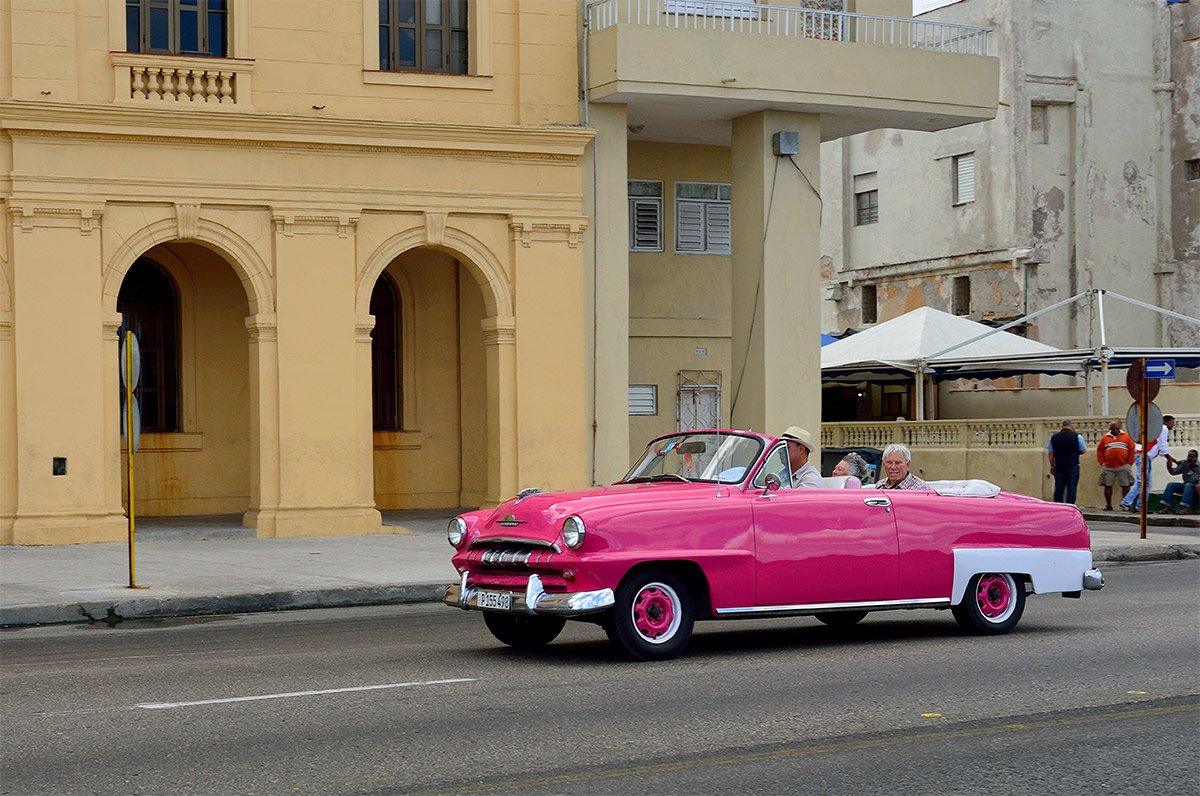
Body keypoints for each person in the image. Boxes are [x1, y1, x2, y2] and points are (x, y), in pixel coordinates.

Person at [1121, 415, 1176, 512]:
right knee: (1141, 482)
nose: (1173, 425)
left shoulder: (1155, 428)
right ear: (1166, 422)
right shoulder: (1163, 428)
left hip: (1144, 456)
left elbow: (1160, 447)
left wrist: (1173, 460)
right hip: (1144, 456)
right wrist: (1169, 460)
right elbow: (1163, 446)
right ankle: (1126, 503)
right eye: (1172, 422)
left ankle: (1140, 506)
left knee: (1147, 484)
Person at [1096, 421, 1136, 511]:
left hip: (1123, 465)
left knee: (1126, 485)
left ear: (1120, 428)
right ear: (1110, 429)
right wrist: (1102, 462)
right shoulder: (1105, 438)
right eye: (1113, 429)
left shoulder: (1126, 437)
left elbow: (1132, 450)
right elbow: (1100, 450)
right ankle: (1109, 505)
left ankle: (1125, 505)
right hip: (1108, 466)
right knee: (1108, 485)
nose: (1116, 431)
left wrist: (1129, 462)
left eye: (1117, 429)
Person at [1046, 419, 1086, 504]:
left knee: (1059, 486)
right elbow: (1083, 450)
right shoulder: (1077, 436)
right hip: (1073, 465)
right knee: (1072, 487)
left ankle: (1058, 505)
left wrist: (1052, 465)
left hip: (1059, 465)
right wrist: (1075, 453)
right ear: (1071, 426)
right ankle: (1070, 505)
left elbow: (1050, 453)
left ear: (1062, 426)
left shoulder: (1054, 437)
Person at [1158, 449, 1199, 515]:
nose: (1189, 458)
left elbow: (1193, 479)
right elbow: (1174, 472)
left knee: (1188, 485)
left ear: (1196, 458)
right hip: (1185, 486)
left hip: (1195, 488)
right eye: (1188, 456)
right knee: (1170, 485)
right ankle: (1167, 507)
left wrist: (1189, 468)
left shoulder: (1198, 467)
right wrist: (1169, 467)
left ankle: (1186, 508)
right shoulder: (1185, 463)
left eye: (1191, 457)